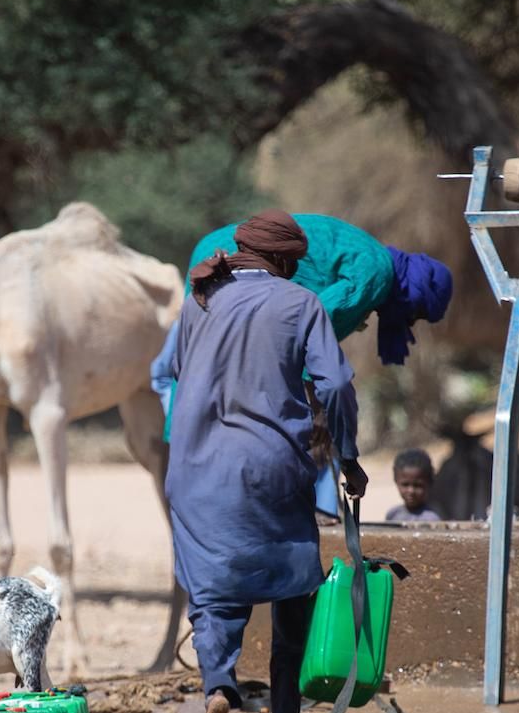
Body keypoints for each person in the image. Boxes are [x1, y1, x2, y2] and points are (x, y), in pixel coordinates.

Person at [165, 210, 366, 713]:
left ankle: (218, 692)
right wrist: (347, 455)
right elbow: (337, 383)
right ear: (281, 261)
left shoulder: (196, 302)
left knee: (211, 596)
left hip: (195, 473)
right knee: (292, 591)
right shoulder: (301, 304)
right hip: (271, 469)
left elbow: (180, 372)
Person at [153, 213, 451, 516]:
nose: (411, 321)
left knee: (204, 378)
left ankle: (189, 460)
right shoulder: (377, 275)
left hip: (214, 253)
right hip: (231, 260)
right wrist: (319, 410)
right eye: (418, 313)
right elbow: (314, 321)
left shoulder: (372, 258)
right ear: (417, 293)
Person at [386, 448, 439, 522]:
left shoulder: (432, 519)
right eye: (405, 484)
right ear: (396, 481)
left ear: (429, 482)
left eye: (417, 485)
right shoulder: (393, 514)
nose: (411, 491)